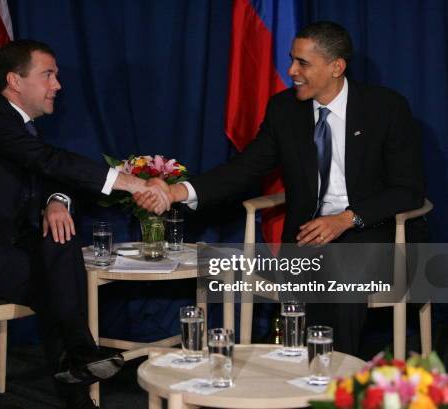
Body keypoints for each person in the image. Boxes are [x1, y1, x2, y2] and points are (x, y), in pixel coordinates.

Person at [136, 21, 425, 356]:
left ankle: (333, 389)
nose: (291, 70)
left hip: (372, 230)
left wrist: (347, 219)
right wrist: (176, 192)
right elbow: (245, 168)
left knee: (340, 277)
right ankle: (306, 379)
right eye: (292, 59)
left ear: (336, 67)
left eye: (302, 63)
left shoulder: (386, 108)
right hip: (307, 235)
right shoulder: (284, 109)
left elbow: (409, 189)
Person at [0, 40, 168, 409]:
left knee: (60, 241)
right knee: (58, 284)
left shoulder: (22, 128)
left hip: (5, 252)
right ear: (15, 81)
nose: (58, 85)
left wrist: (56, 203)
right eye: (48, 75)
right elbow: (46, 161)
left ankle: (80, 363)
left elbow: (50, 175)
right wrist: (132, 182)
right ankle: (80, 366)